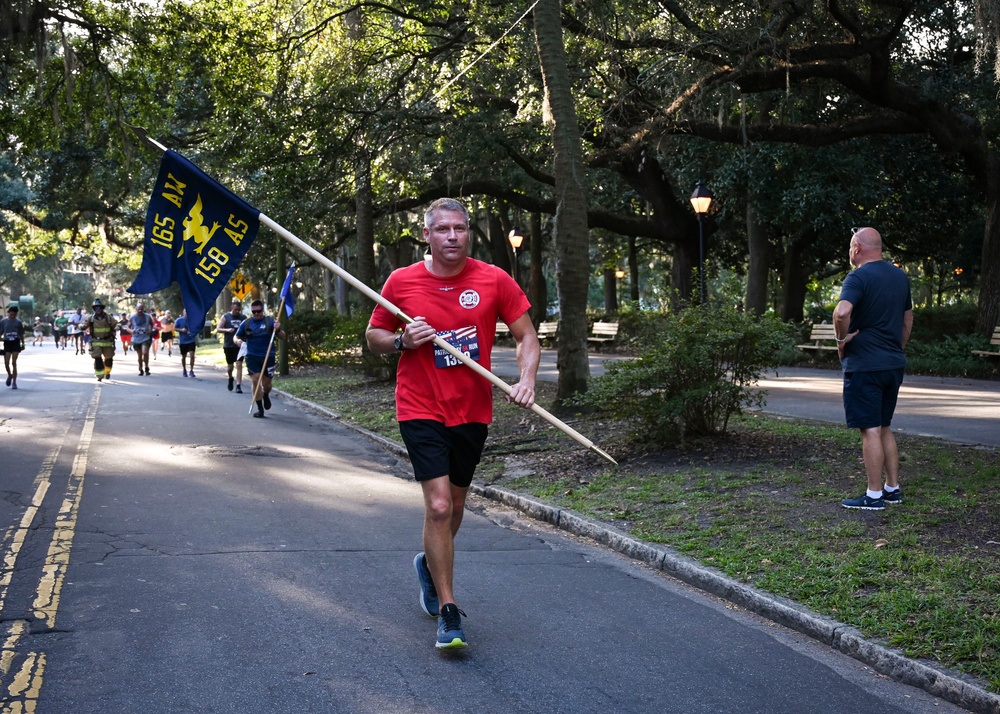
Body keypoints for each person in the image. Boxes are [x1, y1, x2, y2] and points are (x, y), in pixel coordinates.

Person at [365, 198, 540, 650]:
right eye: (442, 229)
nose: (452, 237)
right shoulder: (402, 281)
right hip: (419, 405)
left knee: (456, 505)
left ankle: (429, 562)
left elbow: (526, 336)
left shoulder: (492, 279)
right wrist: (403, 340)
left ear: (468, 233)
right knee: (439, 505)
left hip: (472, 410)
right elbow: (374, 337)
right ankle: (448, 611)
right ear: (427, 235)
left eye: (460, 229)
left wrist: (525, 380)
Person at [833, 227, 913, 510]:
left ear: (857, 248)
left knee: (870, 429)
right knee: (884, 425)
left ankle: (874, 495)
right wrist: (896, 348)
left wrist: (841, 340)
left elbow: (842, 312)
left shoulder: (858, 277)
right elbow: (907, 318)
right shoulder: (899, 276)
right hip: (892, 363)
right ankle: (893, 488)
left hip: (865, 365)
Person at [235, 300, 285, 418]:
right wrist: (237, 341)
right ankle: (259, 408)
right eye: (254, 312)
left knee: (266, 383)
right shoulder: (246, 323)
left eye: (259, 311)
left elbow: (283, 337)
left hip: (268, 356)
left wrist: (278, 329)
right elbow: (236, 336)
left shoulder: (271, 321)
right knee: (255, 380)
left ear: (263, 310)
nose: (256, 314)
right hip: (252, 356)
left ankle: (266, 394)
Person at [82, 298, 117, 381]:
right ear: (94, 309)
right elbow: (84, 324)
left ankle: (107, 372)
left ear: (102, 308)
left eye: (99, 307)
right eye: (96, 308)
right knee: (97, 358)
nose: (98, 309)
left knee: (108, 358)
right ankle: (99, 375)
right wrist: (81, 326)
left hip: (107, 341)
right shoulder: (91, 318)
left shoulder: (108, 317)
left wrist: (118, 326)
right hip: (96, 341)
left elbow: (116, 323)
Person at [217, 299, 247, 393]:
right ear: (231, 308)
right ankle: (230, 378)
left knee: (239, 364)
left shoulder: (243, 317)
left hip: (239, 345)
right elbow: (218, 328)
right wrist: (227, 330)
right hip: (229, 345)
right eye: (235, 310)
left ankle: (238, 386)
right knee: (230, 367)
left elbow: (247, 329)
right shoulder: (226, 317)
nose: (237, 312)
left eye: (238, 310)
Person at [1, 304, 26, 389]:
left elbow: (21, 334)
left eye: (14, 315)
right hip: (7, 343)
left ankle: (14, 382)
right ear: (8, 313)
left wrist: (23, 344)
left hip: (15, 342)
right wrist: (2, 339)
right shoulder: (3, 321)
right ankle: (10, 375)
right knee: (6, 363)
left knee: (14, 363)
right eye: (11, 314)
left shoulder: (18, 322)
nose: (12, 316)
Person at [126, 303, 154, 375]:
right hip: (136, 338)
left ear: (143, 309)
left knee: (145, 352)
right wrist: (132, 331)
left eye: (141, 309)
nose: (140, 311)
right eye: (139, 309)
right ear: (136, 309)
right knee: (139, 355)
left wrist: (150, 330)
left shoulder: (148, 316)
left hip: (146, 337)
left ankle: (146, 367)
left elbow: (151, 324)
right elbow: (127, 327)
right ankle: (140, 368)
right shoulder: (132, 317)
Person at [174, 309, 198, 377]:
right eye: (185, 312)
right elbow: (175, 328)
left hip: (191, 340)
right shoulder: (179, 320)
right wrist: (181, 330)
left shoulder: (193, 320)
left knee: (192, 355)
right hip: (183, 341)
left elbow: (197, 328)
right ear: (183, 312)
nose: (186, 313)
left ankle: (191, 370)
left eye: (188, 312)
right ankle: (184, 369)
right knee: (183, 356)